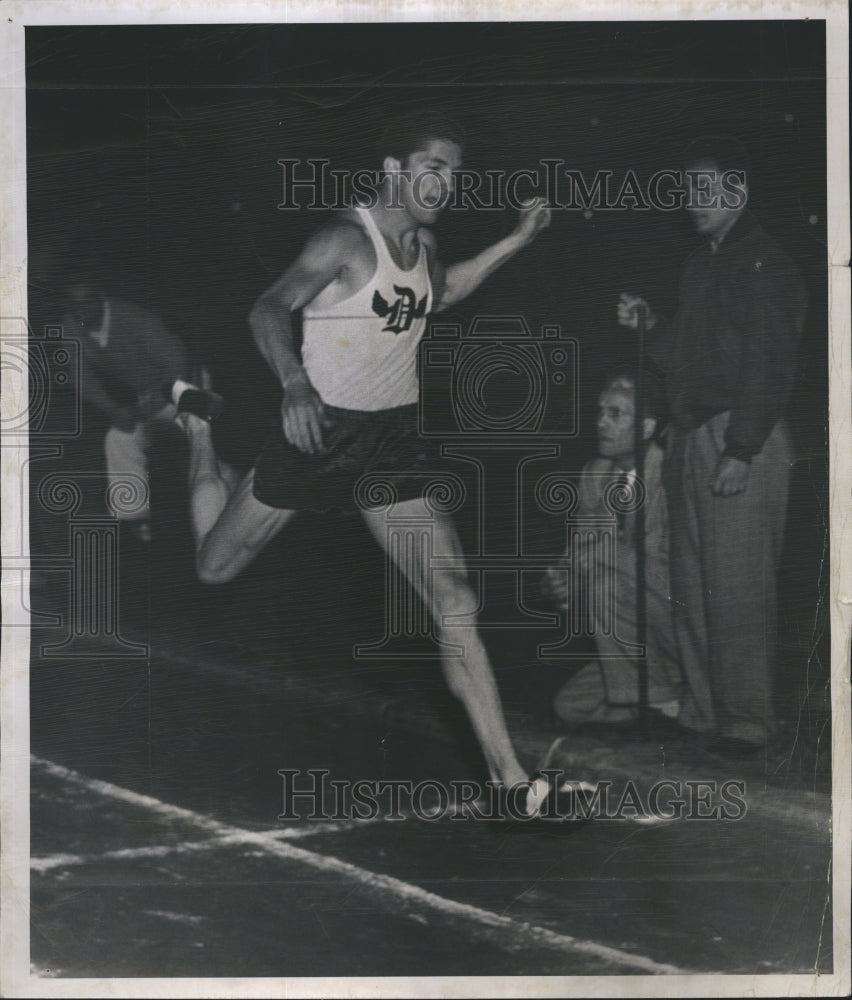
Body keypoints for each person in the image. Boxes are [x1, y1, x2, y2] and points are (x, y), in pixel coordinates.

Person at [171, 113, 581, 815]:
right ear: (395, 168)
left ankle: (513, 785)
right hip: (319, 433)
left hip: (392, 443)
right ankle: (200, 432)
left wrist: (516, 239)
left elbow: (440, 293)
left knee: (454, 599)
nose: (445, 183)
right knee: (214, 567)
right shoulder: (343, 237)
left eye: (453, 171)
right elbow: (268, 309)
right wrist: (295, 384)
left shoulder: (422, 245)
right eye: (433, 167)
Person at [617, 135, 808, 754]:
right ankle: (704, 715)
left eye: (705, 189)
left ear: (738, 190)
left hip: (738, 435)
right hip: (693, 434)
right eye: (686, 191)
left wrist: (742, 448)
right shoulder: (702, 263)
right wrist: (652, 328)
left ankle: (748, 723)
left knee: (739, 586)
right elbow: (690, 362)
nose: (692, 202)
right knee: (695, 582)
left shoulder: (767, 263)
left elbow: (770, 365)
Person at [543, 369, 682, 728]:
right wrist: (561, 583)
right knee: (569, 706)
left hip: (679, 625)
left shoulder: (671, 474)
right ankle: (672, 699)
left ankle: (662, 702)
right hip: (636, 639)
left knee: (605, 585)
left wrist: (603, 555)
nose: (601, 423)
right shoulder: (594, 474)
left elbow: (676, 579)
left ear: (647, 427)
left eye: (616, 414)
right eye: (600, 412)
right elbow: (580, 551)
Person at [62, 280, 195, 540]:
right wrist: (114, 410)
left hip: (183, 391)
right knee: (118, 437)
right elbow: (80, 377)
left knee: (200, 442)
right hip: (146, 400)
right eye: (73, 304)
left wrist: (148, 407)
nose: (80, 310)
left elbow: (177, 365)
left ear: (102, 298)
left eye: (87, 301)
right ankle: (135, 518)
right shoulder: (71, 325)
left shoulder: (135, 318)